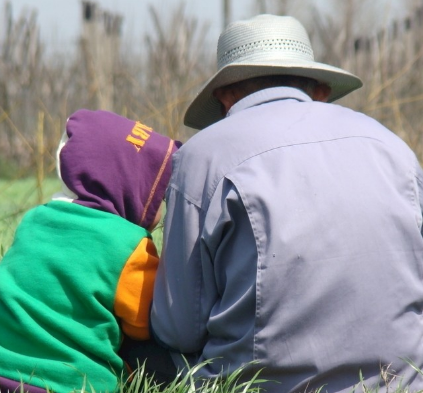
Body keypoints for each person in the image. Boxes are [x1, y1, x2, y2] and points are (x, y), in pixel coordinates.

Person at [149, 14, 423, 393]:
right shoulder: (392, 147)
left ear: (225, 96)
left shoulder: (203, 157)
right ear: (321, 90)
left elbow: (178, 327)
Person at [0, 109, 180, 393]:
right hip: (69, 382)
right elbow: (150, 323)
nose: (162, 202)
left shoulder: (35, 219)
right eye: (158, 193)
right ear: (130, 187)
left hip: (6, 369)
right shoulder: (129, 245)